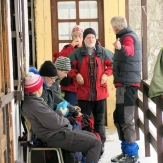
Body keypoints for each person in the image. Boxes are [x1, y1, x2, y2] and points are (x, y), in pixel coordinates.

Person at [22, 72, 101, 163]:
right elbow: (55, 122)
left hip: (56, 133)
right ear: (36, 89)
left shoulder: (33, 102)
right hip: (55, 136)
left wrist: (63, 119)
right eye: (41, 86)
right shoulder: (34, 105)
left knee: (93, 138)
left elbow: (52, 119)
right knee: (95, 143)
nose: (42, 88)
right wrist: (66, 120)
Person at [68, 27, 114, 147]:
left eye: (93, 37)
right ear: (84, 40)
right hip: (84, 94)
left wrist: (106, 73)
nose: (91, 39)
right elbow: (68, 67)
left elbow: (113, 64)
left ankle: (101, 144)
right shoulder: (77, 53)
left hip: (100, 93)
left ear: (95, 38)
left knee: (99, 121)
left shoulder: (103, 52)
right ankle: (86, 144)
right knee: (84, 121)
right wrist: (76, 74)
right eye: (88, 37)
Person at [110, 16, 142, 163]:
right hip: (124, 84)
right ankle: (126, 152)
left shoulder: (128, 38)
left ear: (115, 27)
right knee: (119, 117)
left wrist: (120, 47)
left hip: (127, 85)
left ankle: (132, 155)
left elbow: (129, 51)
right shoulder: (125, 36)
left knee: (126, 119)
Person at [53, 25, 84, 106]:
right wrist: (71, 47)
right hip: (70, 86)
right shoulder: (67, 48)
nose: (77, 38)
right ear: (72, 37)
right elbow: (60, 59)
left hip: (84, 85)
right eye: (75, 36)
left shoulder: (86, 48)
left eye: (79, 36)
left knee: (83, 111)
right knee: (70, 109)